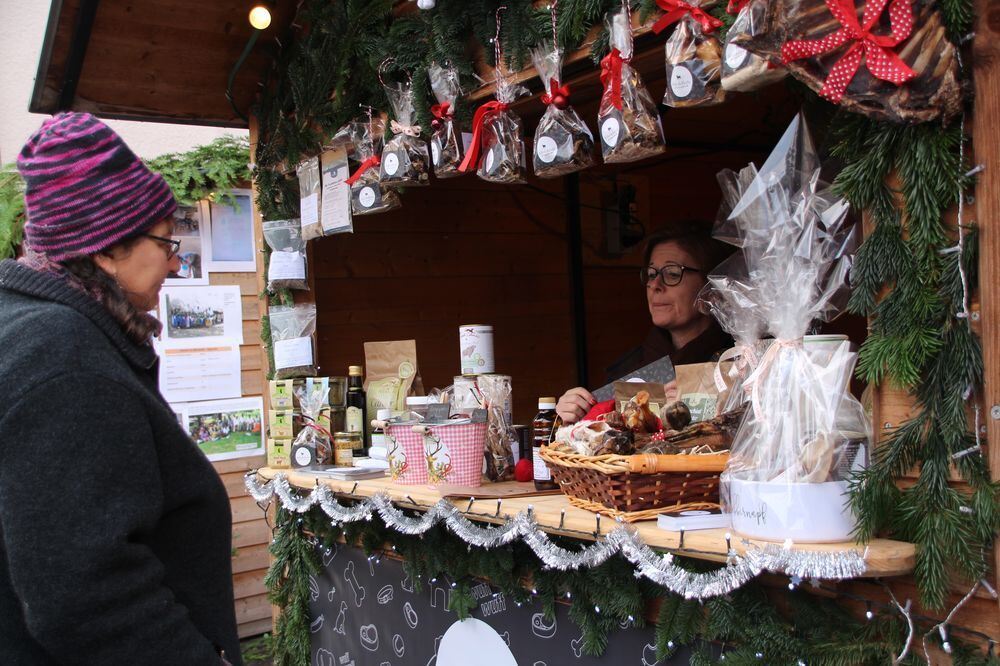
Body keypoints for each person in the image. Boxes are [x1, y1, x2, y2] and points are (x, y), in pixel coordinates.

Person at [0, 113, 241, 665]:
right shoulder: (61, 360)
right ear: (106, 250)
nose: (176, 262)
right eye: (165, 243)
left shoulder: (32, 324)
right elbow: (88, 596)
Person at [556, 226, 734, 424]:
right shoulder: (627, 369)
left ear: (712, 287)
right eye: (651, 274)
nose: (655, 285)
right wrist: (575, 415)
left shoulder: (738, 367)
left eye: (673, 274)